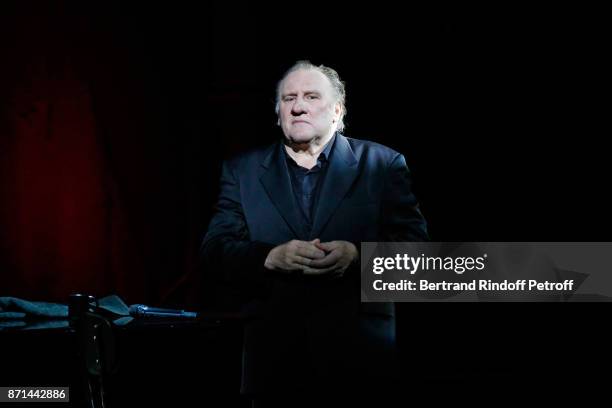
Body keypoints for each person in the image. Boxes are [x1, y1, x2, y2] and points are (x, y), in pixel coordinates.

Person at [200, 60, 428, 407]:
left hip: (362, 360)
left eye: (310, 96)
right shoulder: (241, 170)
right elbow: (214, 253)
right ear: (277, 113)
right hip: (273, 364)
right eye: (288, 98)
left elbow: (418, 255)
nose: (298, 106)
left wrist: (358, 258)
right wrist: (269, 257)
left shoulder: (382, 164)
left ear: (338, 110)